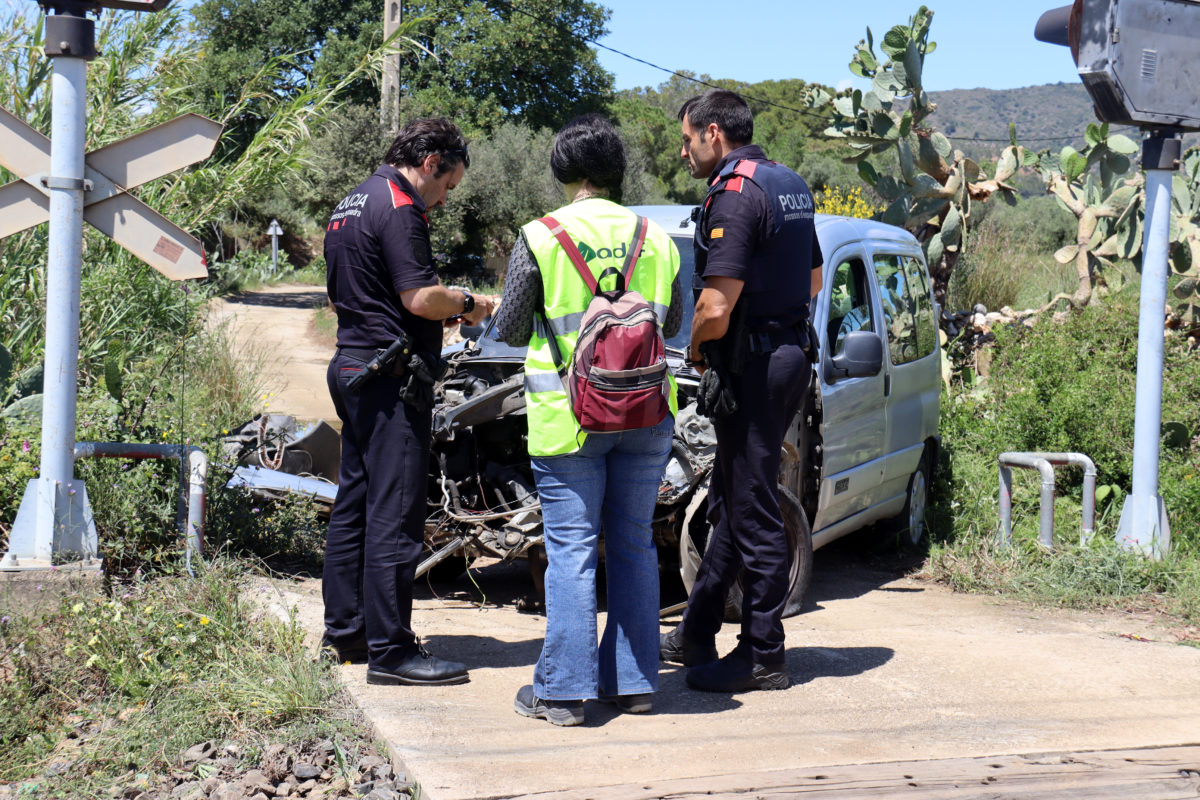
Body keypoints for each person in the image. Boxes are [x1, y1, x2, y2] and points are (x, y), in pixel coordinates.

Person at [493, 113, 683, 726]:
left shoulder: (541, 236)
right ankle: (632, 684)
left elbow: (511, 329)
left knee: (572, 550)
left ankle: (562, 692)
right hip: (649, 412)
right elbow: (673, 322)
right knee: (632, 546)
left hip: (568, 418)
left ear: (561, 171)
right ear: (616, 172)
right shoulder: (655, 236)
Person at [321, 117, 494, 686]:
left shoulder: (351, 201)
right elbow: (420, 298)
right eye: (448, 186)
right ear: (430, 164)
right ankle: (392, 652)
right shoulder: (399, 207)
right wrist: (471, 303)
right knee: (395, 514)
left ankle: (346, 634)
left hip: (352, 367)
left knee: (355, 504)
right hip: (390, 378)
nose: (445, 200)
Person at [661, 89, 823, 692]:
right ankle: (696, 631)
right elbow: (813, 276)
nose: (684, 152)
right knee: (734, 494)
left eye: (686, 140)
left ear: (712, 132)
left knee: (753, 506)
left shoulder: (734, 190)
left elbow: (715, 304)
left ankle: (762, 653)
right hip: (785, 355)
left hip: (751, 365)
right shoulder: (788, 182)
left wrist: (700, 349)